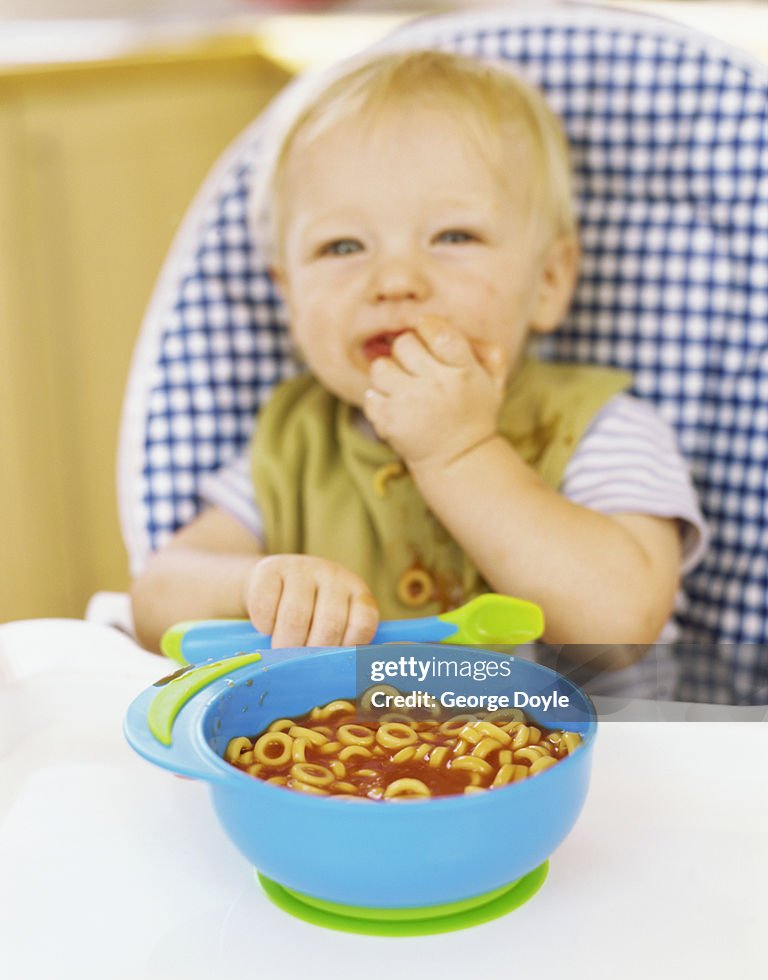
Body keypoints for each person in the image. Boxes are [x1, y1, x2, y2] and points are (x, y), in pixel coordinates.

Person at [131, 49, 707, 653]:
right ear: (289, 297)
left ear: (549, 282)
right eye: (342, 246)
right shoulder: (297, 443)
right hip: (345, 748)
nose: (394, 280)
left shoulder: (597, 429)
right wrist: (261, 586)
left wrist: (460, 454)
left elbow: (621, 625)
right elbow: (156, 599)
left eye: (452, 236)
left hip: (584, 746)